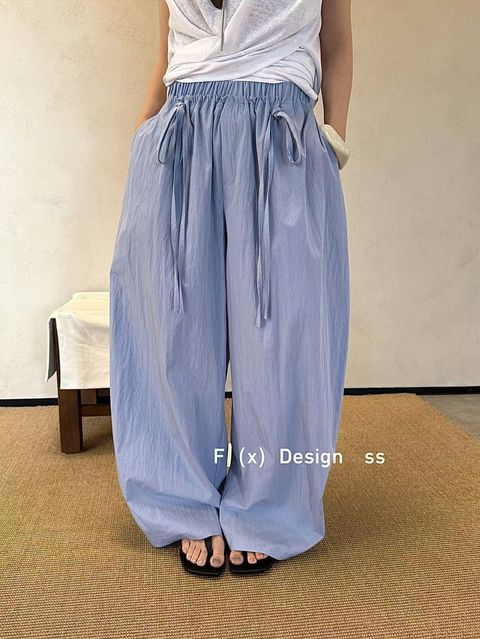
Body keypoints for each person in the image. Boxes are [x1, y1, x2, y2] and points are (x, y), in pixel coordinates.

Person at [109, 0, 353, 577]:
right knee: (172, 331)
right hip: (179, 134)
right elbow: (167, 49)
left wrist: (335, 135)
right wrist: (142, 136)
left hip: (280, 130)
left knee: (281, 337)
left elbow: (337, 40)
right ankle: (180, 496)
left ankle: (270, 506)